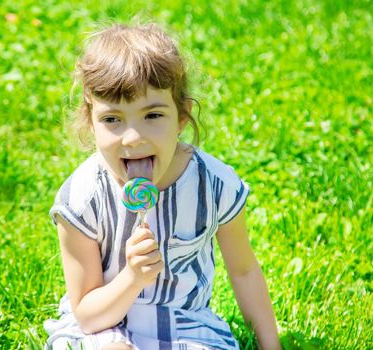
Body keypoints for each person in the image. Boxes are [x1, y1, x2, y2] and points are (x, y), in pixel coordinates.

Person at [44, 22, 280, 350]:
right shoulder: (81, 198)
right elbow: (87, 316)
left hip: (187, 325)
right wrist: (132, 277)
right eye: (112, 119)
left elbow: (244, 272)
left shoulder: (214, 186)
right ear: (91, 122)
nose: (133, 137)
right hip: (103, 326)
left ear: (182, 117)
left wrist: (272, 346)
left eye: (152, 115)